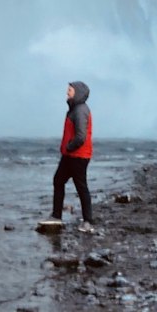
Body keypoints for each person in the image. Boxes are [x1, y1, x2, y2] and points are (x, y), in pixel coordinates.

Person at [45, 80, 94, 232]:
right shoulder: (74, 108)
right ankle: (56, 216)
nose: (67, 92)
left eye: (70, 90)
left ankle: (88, 222)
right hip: (70, 155)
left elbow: (81, 136)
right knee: (58, 180)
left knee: (81, 187)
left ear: (77, 92)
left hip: (78, 156)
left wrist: (69, 146)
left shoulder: (80, 111)